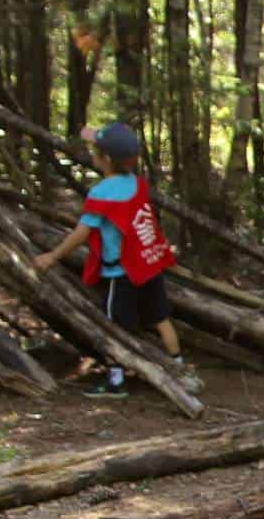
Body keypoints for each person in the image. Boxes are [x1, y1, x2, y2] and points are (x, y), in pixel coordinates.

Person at [31, 122, 184, 397]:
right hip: (148, 265)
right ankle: (179, 365)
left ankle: (116, 382)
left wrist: (52, 256)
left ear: (104, 159)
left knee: (114, 327)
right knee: (162, 318)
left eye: (95, 151)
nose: (92, 154)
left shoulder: (100, 194)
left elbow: (81, 233)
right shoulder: (138, 184)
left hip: (122, 273)